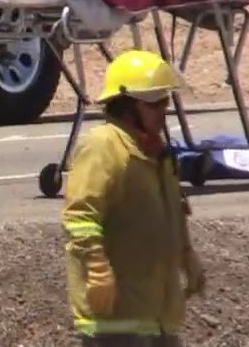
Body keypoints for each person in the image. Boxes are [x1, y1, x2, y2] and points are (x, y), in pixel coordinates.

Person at [62, 50, 205, 346]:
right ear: (127, 106)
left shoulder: (155, 152)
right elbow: (80, 217)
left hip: (156, 317)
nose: (163, 111)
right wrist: (97, 268)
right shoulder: (104, 146)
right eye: (155, 104)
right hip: (115, 320)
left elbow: (174, 212)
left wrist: (186, 255)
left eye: (166, 102)